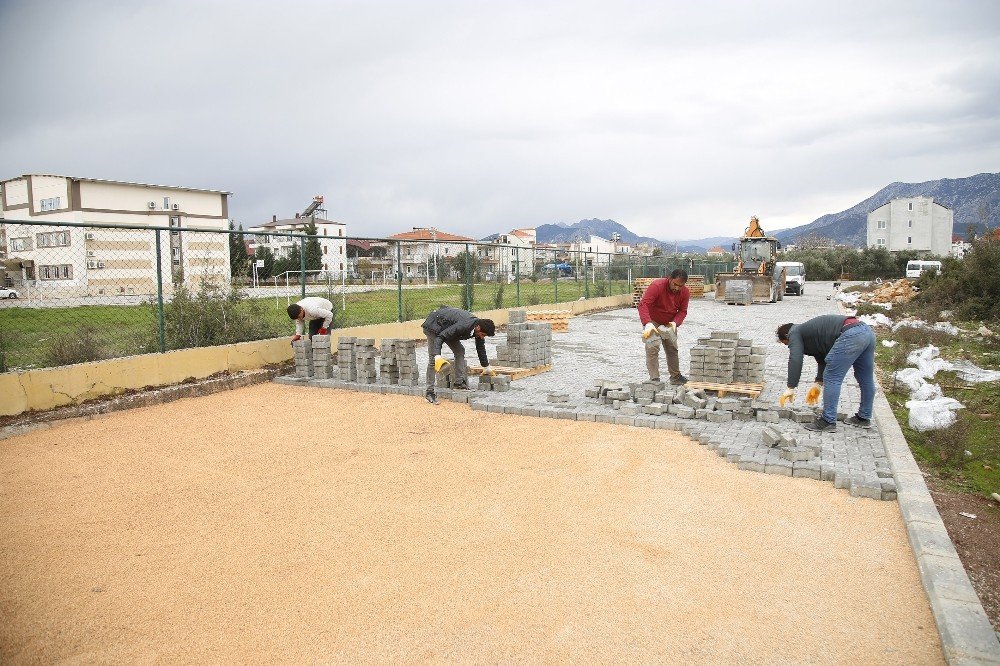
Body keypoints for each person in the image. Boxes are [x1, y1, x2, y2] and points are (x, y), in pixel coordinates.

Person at [776, 314, 876, 432]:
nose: (790, 346)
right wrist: (818, 384)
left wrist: (791, 387)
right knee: (865, 377)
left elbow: (795, 359)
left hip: (851, 334)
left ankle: (828, 421)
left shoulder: (794, 332)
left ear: (786, 335)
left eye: (787, 344)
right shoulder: (812, 334)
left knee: (832, 377)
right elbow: (823, 358)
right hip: (867, 332)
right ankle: (863, 418)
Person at [422, 306, 496, 403]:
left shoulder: (477, 328)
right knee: (433, 360)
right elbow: (441, 337)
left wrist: (486, 367)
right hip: (434, 326)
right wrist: (437, 355)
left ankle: (459, 384)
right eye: (483, 335)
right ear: (478, 328)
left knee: (460, 351)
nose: (482, 337)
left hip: (446, 327)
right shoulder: (464, 325)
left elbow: (480, 348)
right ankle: (429, 392)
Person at [637, 268, 690, 385]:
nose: (677, 288)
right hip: (652, 321)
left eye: (680, 286)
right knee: (652, 348)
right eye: (675, 284)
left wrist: (675, 323)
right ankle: (654, 378)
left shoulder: (685, 292)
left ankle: (675, 377)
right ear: (670, 279)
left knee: (672, 348)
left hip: (669, 323)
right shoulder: (657, 286)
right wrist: (647, 322)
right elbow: (643, 304)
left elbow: (683, 311)